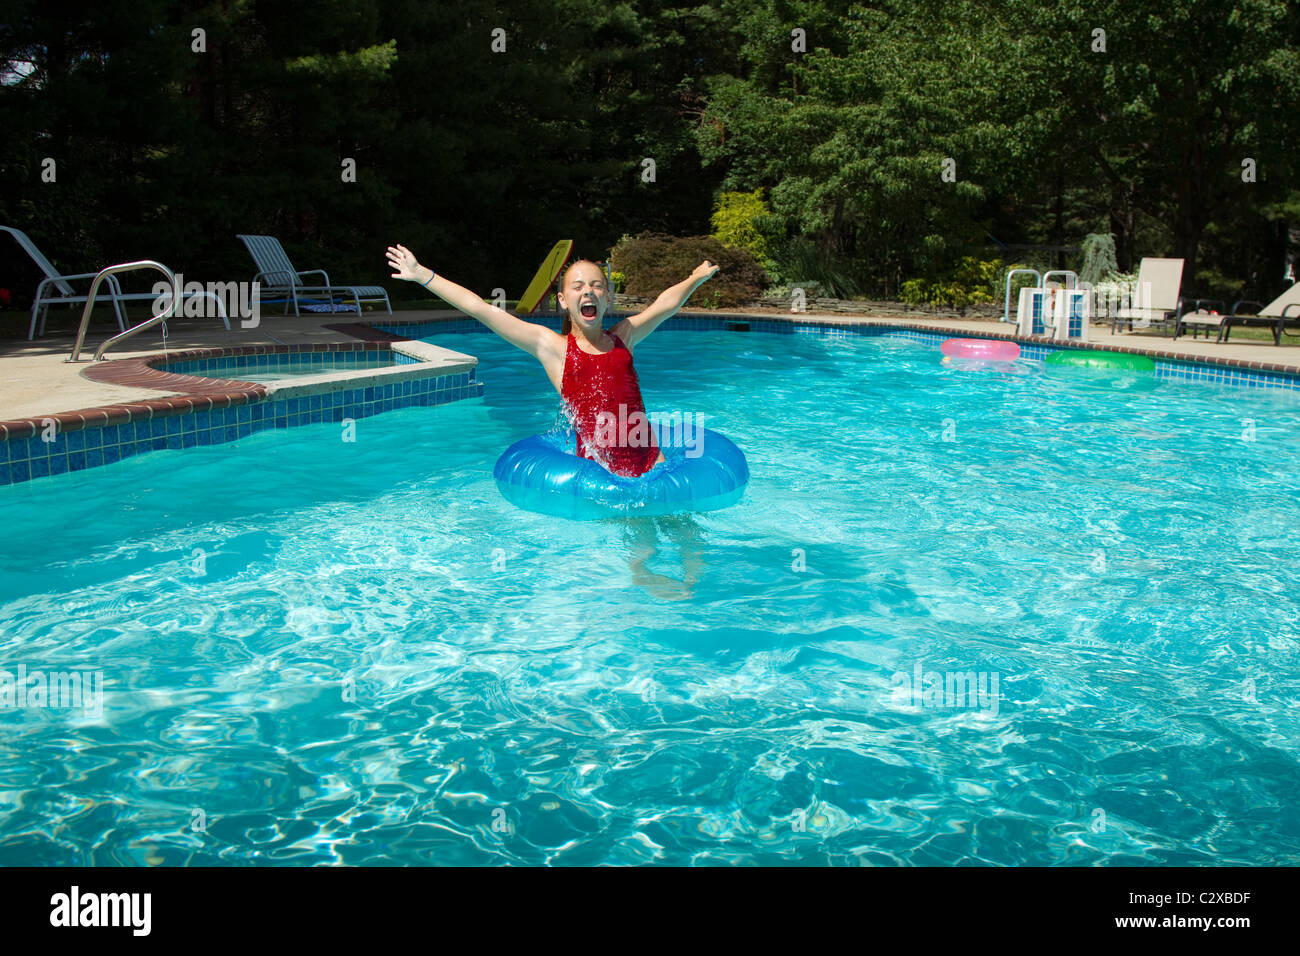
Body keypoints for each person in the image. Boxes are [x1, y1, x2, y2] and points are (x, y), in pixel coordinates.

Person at [385, 245, 718, 477]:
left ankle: (687, 581)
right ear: (562, 300)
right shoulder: (552, 347)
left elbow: (664, 306)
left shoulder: (623, 337)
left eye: (596, 285)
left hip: (653, 462)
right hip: (603, 472)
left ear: (607, 297)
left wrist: (694, 279)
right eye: (578, 287)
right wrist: (423, 275)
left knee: (689, 541)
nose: (588, 291)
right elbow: (482, 310)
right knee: (638, 557)